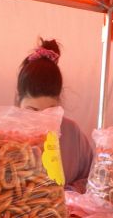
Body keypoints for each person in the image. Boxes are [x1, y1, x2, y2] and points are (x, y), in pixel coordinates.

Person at [16, 39, 94, 190]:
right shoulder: (5, 137)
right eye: (32, 111)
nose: (41, 120)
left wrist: (67, 193)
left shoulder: (72, 133)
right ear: (19, 102)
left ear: (59, 104)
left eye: (50, 112)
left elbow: (92, 180)